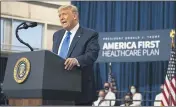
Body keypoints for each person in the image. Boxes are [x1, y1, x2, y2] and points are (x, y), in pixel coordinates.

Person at [52, 4, 100, 105]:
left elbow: (92, 54)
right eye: (59, 16)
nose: (61, 18)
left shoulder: (90, 34)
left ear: (74, 16)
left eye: (64, 14)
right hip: (57, 89)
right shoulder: (57, 35)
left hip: (80, 89)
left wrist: (76, 60)